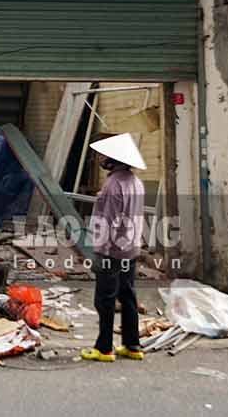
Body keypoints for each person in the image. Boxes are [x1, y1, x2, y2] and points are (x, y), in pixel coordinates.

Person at [81, 132, 148, 363]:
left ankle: (104, 348)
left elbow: (109, 221)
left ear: (113, 159)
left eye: (105, 155)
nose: (101, 158)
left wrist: (100, 252)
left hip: (111, 250)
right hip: (131, 248)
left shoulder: (112, 184)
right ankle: (132, 345)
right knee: (128, 296)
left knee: (105, 299)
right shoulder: (136, 183)